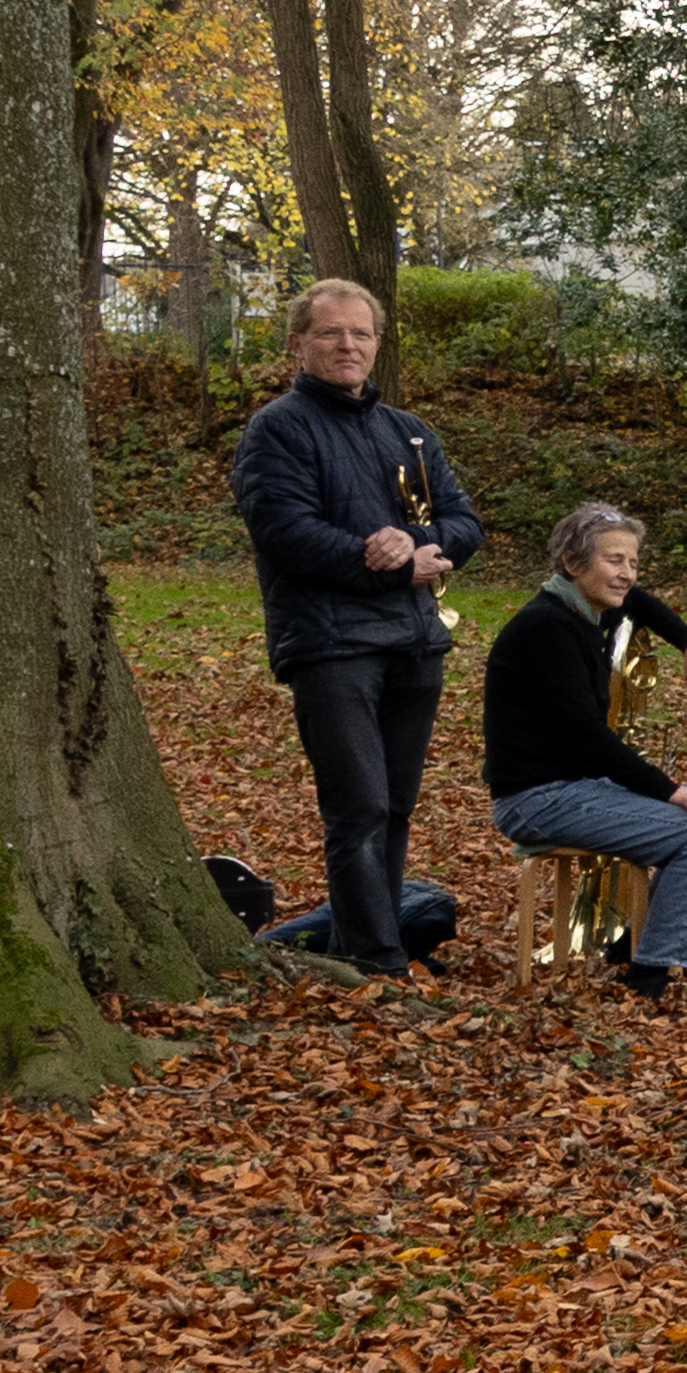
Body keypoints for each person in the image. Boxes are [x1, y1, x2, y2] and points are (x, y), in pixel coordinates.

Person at [229, 280, 482, 974]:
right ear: (297, 343)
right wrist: (385, 562)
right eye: (331, 333)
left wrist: (426, 544)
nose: (348, 346)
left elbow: (465, 521)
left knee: (395, 806)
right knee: (359, 807)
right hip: (331, 644)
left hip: (413, 641)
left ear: (376, 343)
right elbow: (284, 532)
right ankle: (376, 964)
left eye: (361, 334)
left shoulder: (408, 429)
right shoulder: (276, 427)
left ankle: (359, 946)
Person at [480, 507, 687, 1002]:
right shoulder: (547, 628)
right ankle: (650, 972)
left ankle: (633, 946)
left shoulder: (582, 610)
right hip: (537, 798)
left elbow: (640, 602)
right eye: (614, 560)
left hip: (574, 786)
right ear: (572, 562)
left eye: (633, 561)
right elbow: (586, 738)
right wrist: (669, 790)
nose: (626, 573)